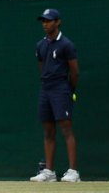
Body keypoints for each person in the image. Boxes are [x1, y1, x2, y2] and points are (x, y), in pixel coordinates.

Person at [30, 9, 80, 183]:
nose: (45, 24)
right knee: (48, 131)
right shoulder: (40, 45)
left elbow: (74, 71)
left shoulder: (66, 44)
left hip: (61, 89)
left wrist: (69, 90)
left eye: (49, 21)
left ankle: (73, 172)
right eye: (43, 21)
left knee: (66, 129)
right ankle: (49, 172)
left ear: (58, 22)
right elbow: (42, 67)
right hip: (46, 89)